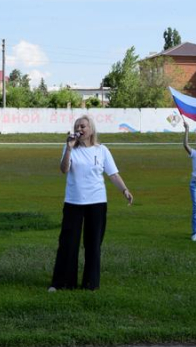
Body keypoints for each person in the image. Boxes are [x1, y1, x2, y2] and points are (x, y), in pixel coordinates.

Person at [49, 115, 133, 292]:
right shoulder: (70, 148)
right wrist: (69, 149)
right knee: (68, 243)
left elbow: (113, 174)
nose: (80, 129)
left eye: (83, 126)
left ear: (91, 129)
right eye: (77, 126)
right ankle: (63, 283)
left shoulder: (101, 150)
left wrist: (124, 190)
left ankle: (91, 283)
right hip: (74, 202)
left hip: (97, 202)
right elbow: (64, 170)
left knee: (93, 243)